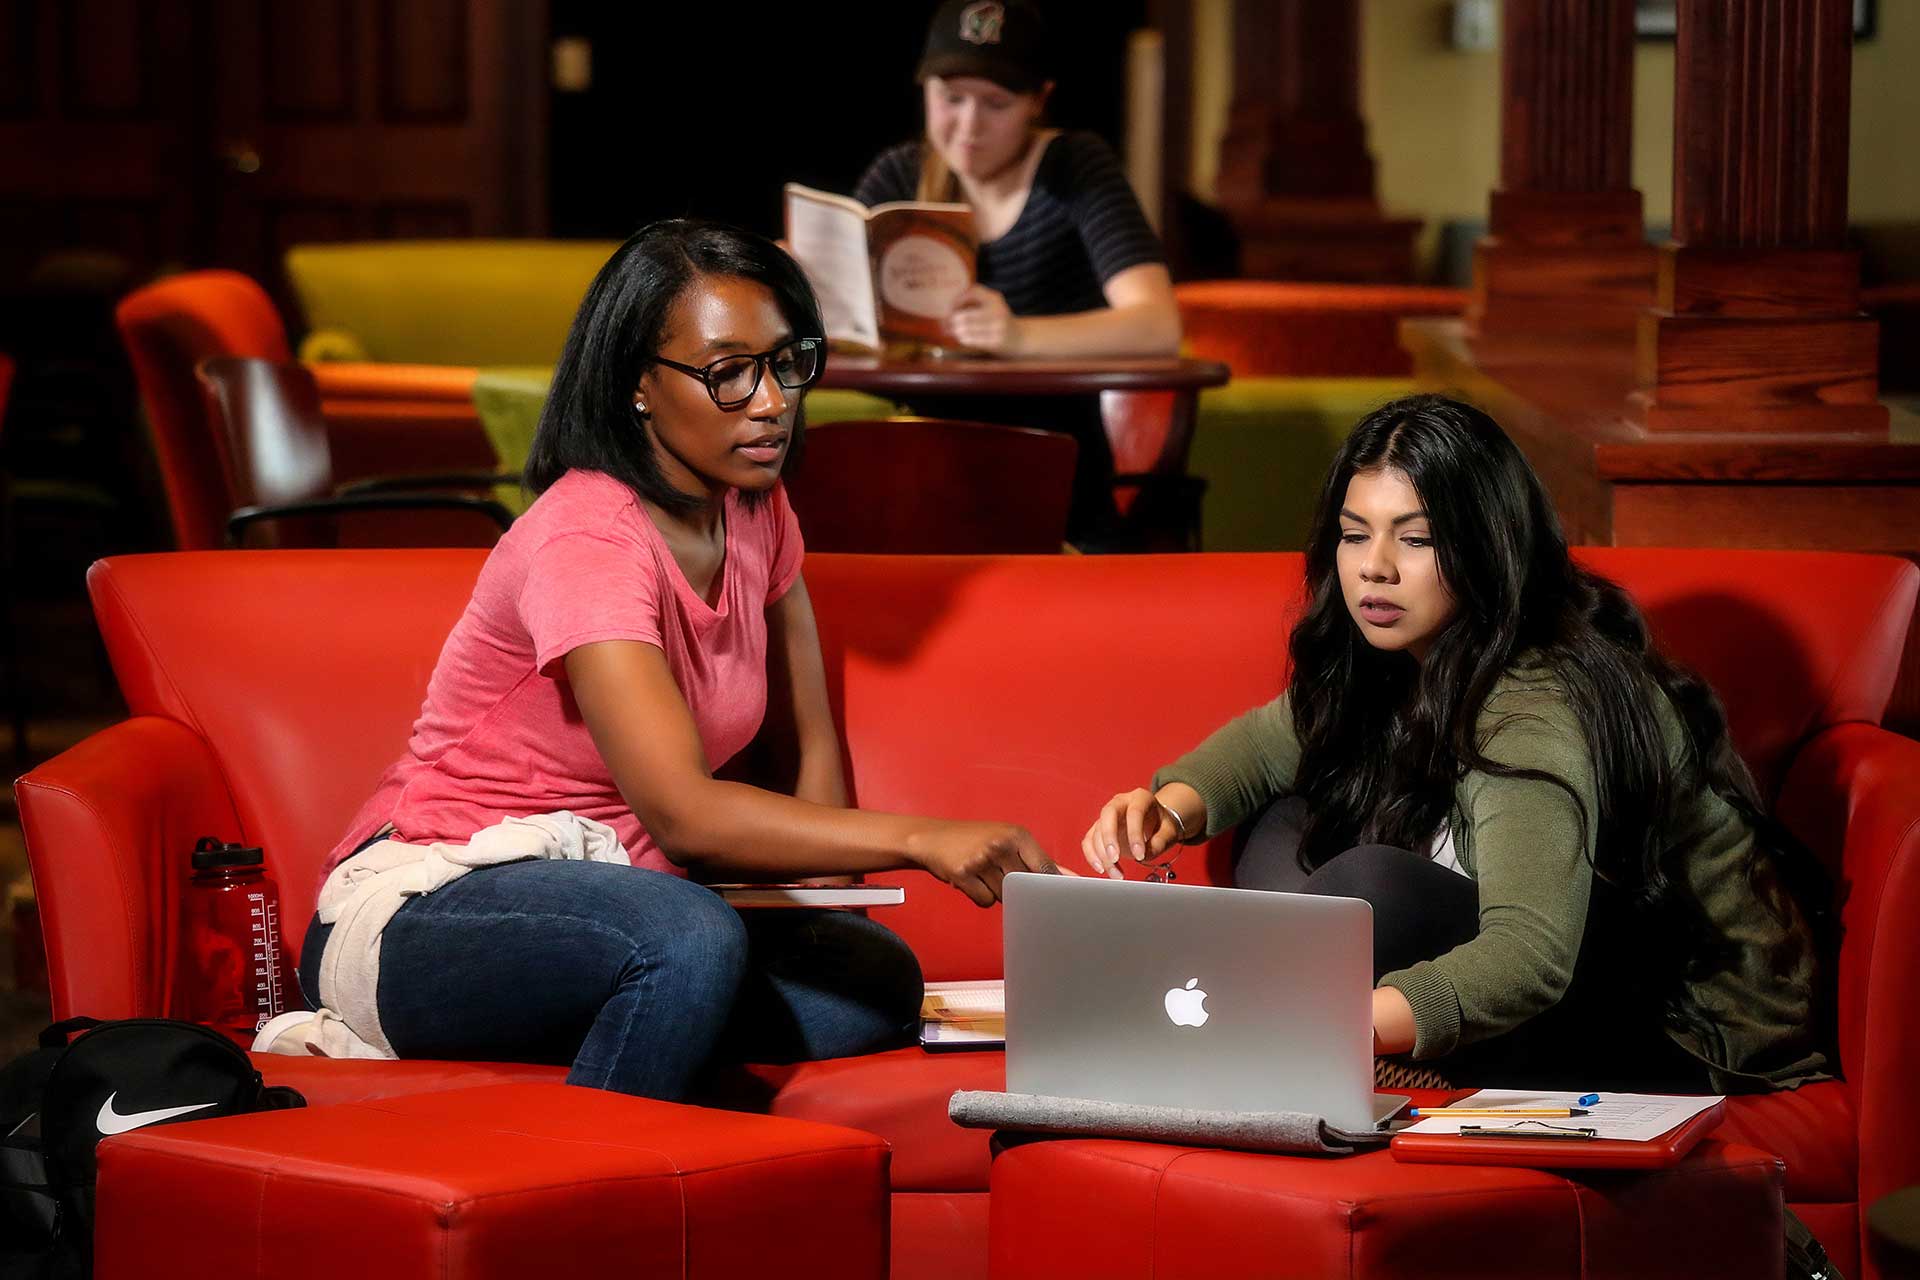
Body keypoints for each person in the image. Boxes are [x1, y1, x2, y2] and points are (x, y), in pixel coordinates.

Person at [291, 220, 1061, 1102]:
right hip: (433, 910)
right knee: (688, 940)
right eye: (729, 373)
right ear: (637, 388)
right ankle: (590, 1184)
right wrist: (922, 837)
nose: (771, 401)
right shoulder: (589, 538)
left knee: (872, 980)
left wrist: (831, 891)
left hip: (620, 904)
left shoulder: (755, 509)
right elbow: (685, 815)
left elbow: (807, 739)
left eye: (785, 363)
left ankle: (625, 1034)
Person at [1081, 395, 1830, 1094]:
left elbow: (1530, 959)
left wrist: (1341, 1019)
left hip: (1673, 1029)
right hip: (1555, 976)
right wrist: (1165, 810)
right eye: (1353, 534)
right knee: (1284, 820)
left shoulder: (1532, 705)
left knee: (1373, 886)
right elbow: (1264, 746)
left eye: (1417, 539)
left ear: (1486, 547)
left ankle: (1272, 1023)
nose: (1375, 566)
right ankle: (1261, 1011)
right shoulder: (1398, 653)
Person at [853, 0, 1181, 541]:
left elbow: (1158, 325)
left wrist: (1019, 335)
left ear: (1039, 102)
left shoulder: (1074, 168)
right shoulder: (900, 177)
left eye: (996, 104)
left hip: (1056, 492)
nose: (968, 126)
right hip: (917, 477)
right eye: (950, 99)